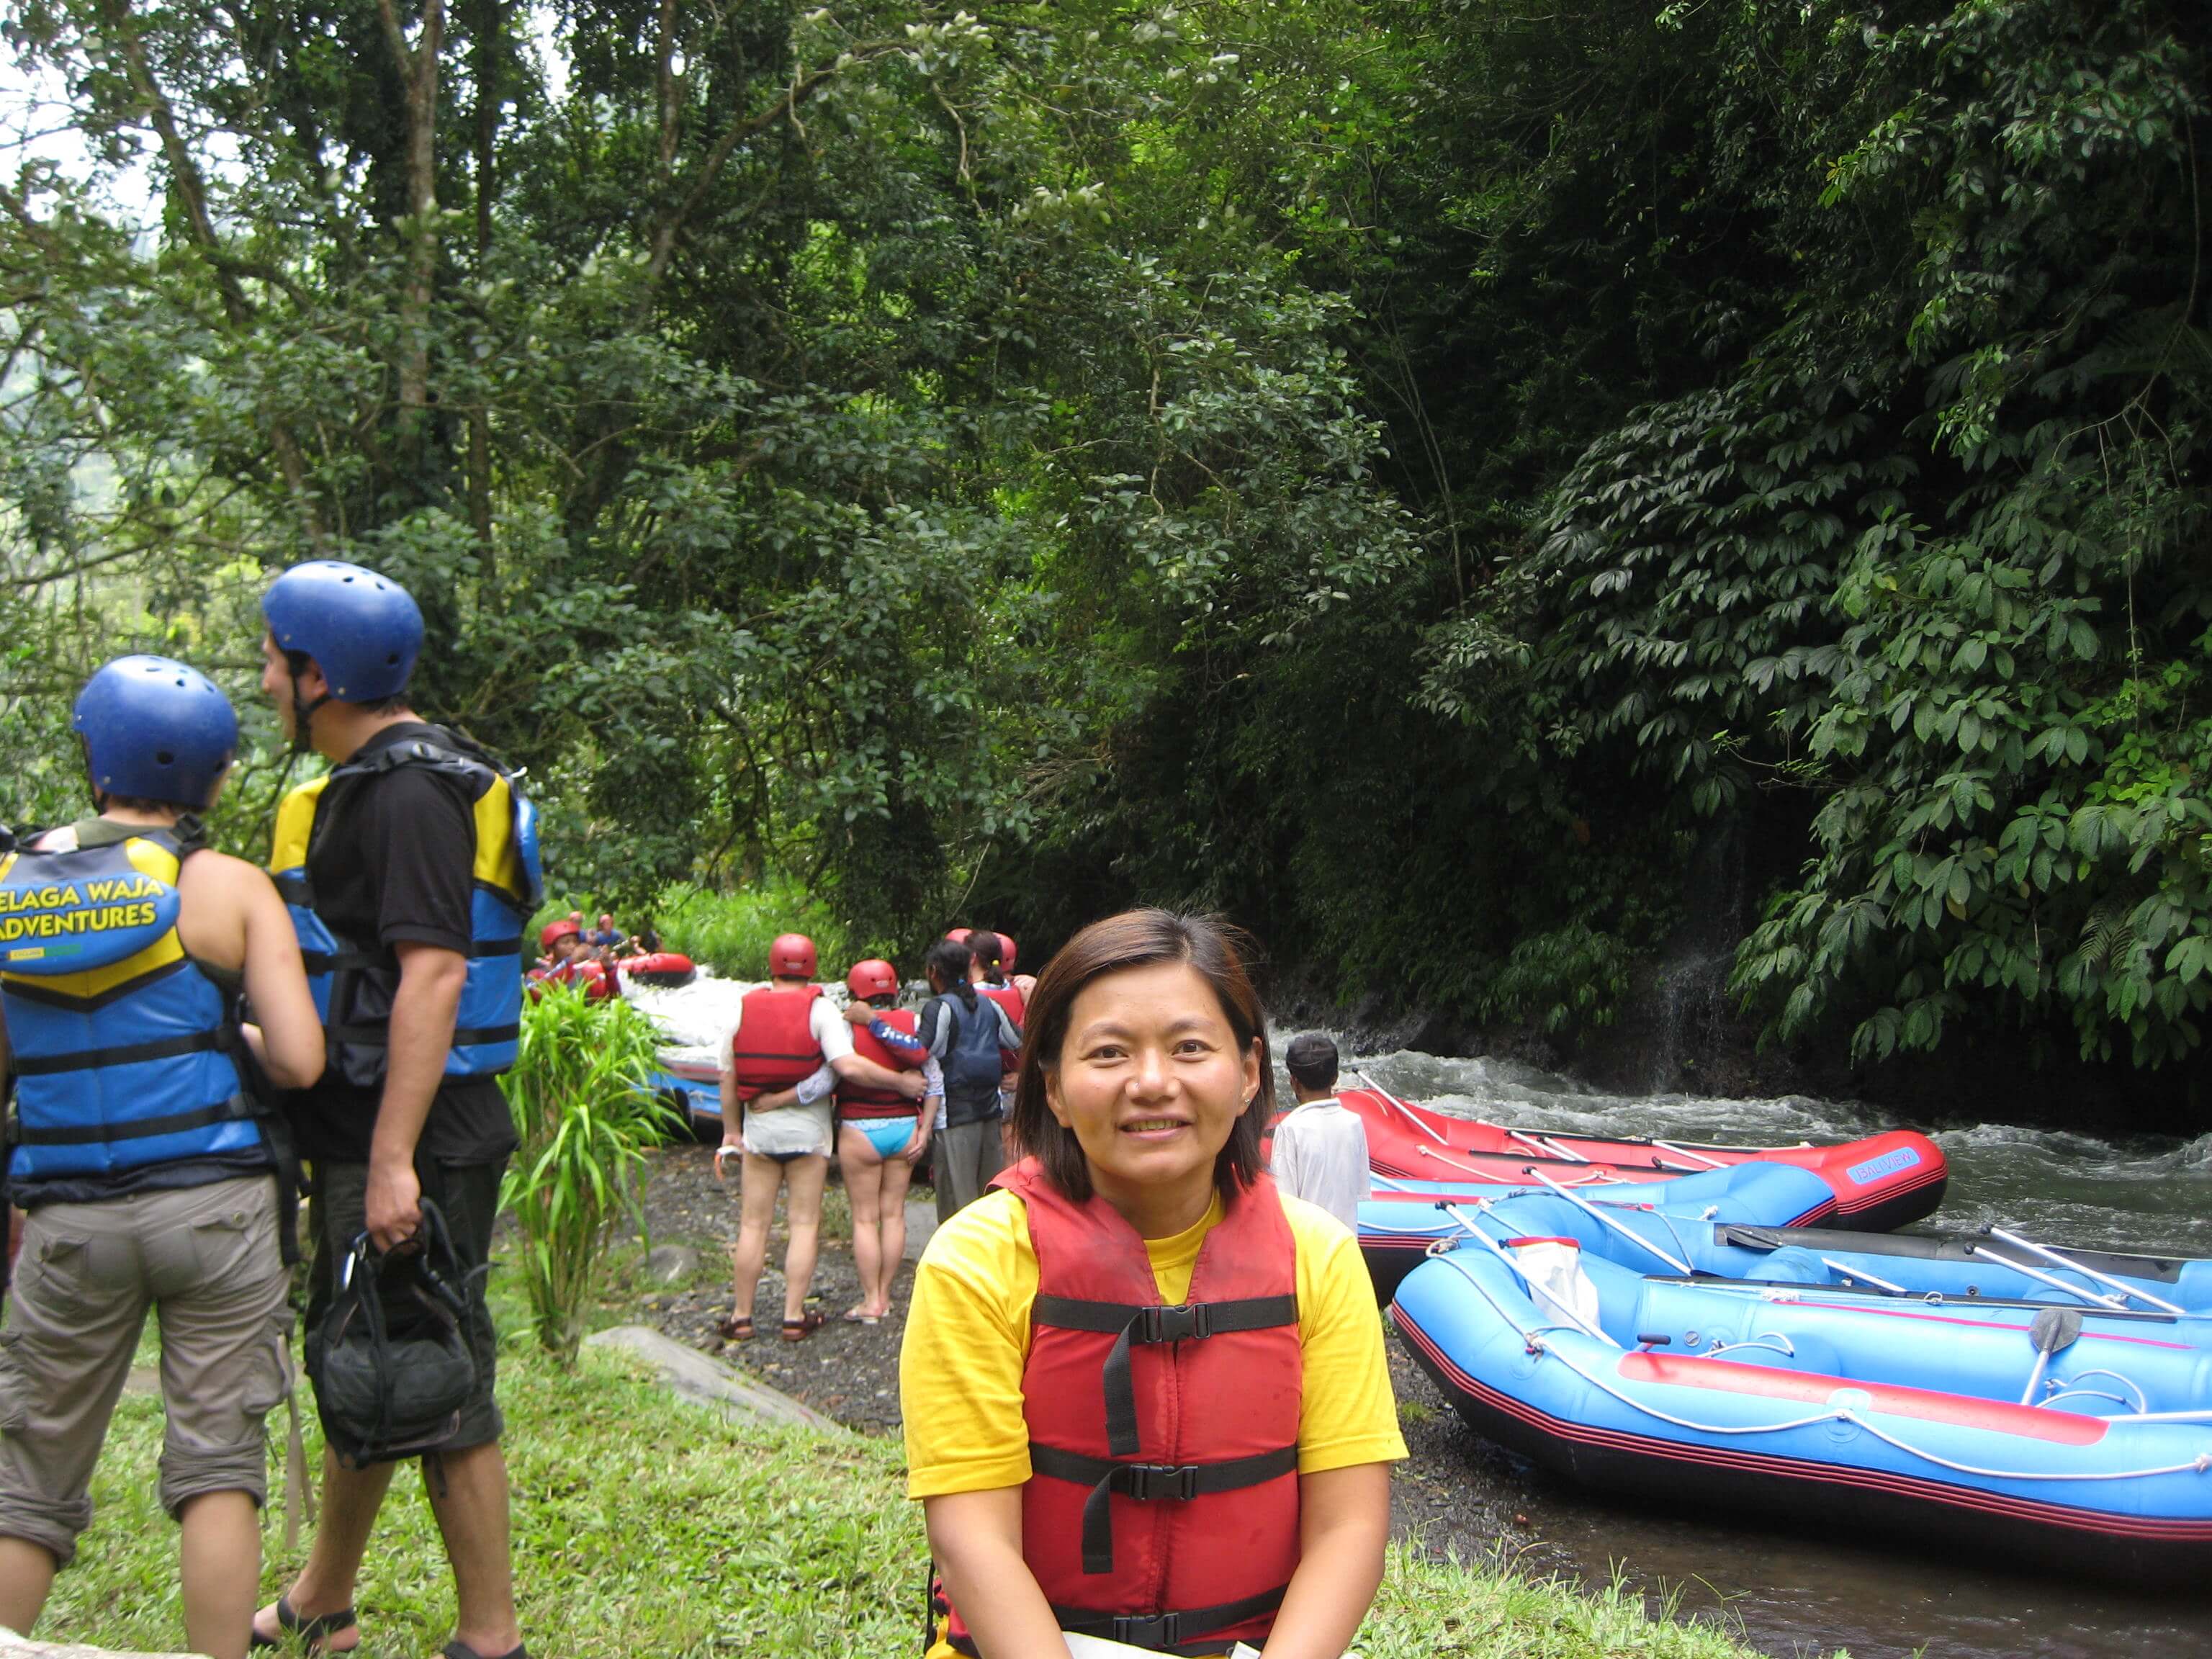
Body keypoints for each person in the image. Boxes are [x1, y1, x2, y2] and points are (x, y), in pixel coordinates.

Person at [900, 909, 1404, 1658]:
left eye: (1190, 1048)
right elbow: (973, 1537)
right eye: (1107, 1053)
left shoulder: (1317, 1257)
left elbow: (1349, 1527)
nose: (1152, 1083)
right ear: (1057, 1092)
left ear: (1249, 1074)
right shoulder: (978, 1259)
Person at [0, 657, 324, 1659]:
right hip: (215, 1212)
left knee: (29, 1473)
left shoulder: (10, 889)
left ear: (93, 761)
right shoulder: (223, 886)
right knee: (218, 1462)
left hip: (64, 1222)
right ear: (218, 779)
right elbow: (303, 1060)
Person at [253, 559, 541, 1659]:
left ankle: (490, 1638)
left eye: (276, 663)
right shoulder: (402, 775)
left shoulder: (408, 790)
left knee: (435, 1366)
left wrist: (388, 1163)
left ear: (320, 673)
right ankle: (323, 1591)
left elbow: (431, 976)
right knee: (369, 1354)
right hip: (394, 1125)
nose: (268, 682)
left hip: (420, 1133)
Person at [717, 932, 925, 1341]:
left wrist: (731, 1131)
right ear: (811, 967)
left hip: (760, 1132)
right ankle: (793, 1316)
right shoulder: (821, 1010)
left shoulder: (741, 1008)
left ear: (772, 965)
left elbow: (728, 1075)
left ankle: (742, 1315)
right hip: (809, 1136)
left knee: (753, 1225)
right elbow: (847, 1067)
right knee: (804, 1224)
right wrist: (900, 1082)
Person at [835, 958, 939, 1323]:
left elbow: (832, 1074)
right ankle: (887, 1295)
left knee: (865, 1219)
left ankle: (871, 1302)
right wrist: (925, 1130)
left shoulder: (845, 1027)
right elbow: (933, 1077)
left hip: (860, 1128)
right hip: (905, 1128)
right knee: (894, 1214)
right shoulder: (911, 1022)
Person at [920, 937, 1022, 1224]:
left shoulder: (939, 1007)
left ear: (933, 971)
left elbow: (921, 1053)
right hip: (990, 1111)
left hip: (955, 1116)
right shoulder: (990, 1006)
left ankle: (956, 1268)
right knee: (988, 1202)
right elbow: (1017, 1040)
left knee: (957, 1208)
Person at [1269, 1035, 1369, 1233]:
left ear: (1293, 1082)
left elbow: (1282, 1201)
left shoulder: (1290, 1129)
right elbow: (1360, 1190)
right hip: (1346, 1246)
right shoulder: (1354, 1123)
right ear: (1335, 1078)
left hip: (1309, 1250)